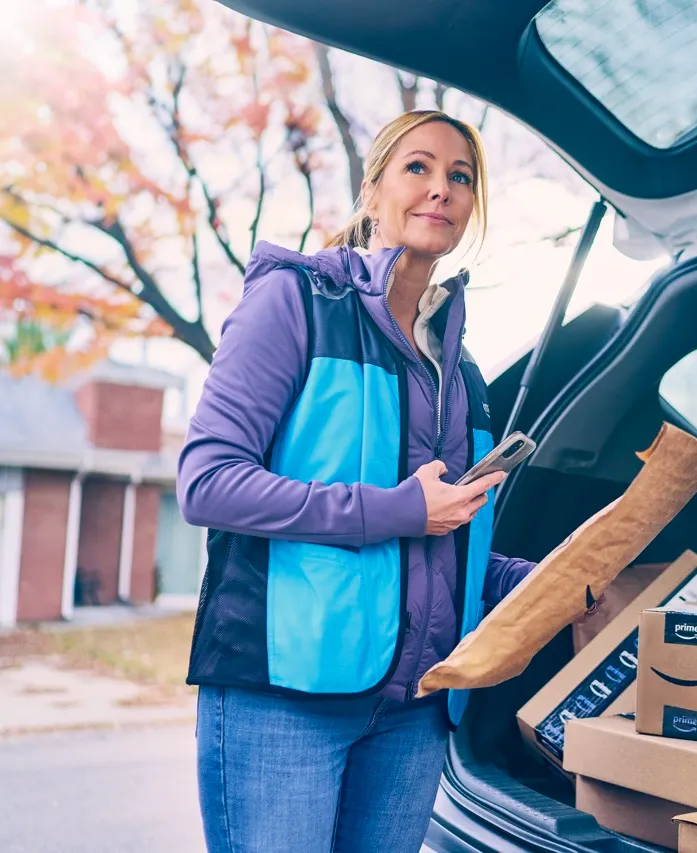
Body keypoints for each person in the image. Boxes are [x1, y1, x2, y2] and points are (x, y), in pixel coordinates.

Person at [177, 110, 540, 853]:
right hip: (284, 699)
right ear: (371, 192)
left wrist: (549, 583)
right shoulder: (296, 303)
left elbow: (449, 544)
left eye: (461, 176)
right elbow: (208, 483)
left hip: (416, 710)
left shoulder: (460, 367)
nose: (441, 188)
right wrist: (398, 510)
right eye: (418, 167)